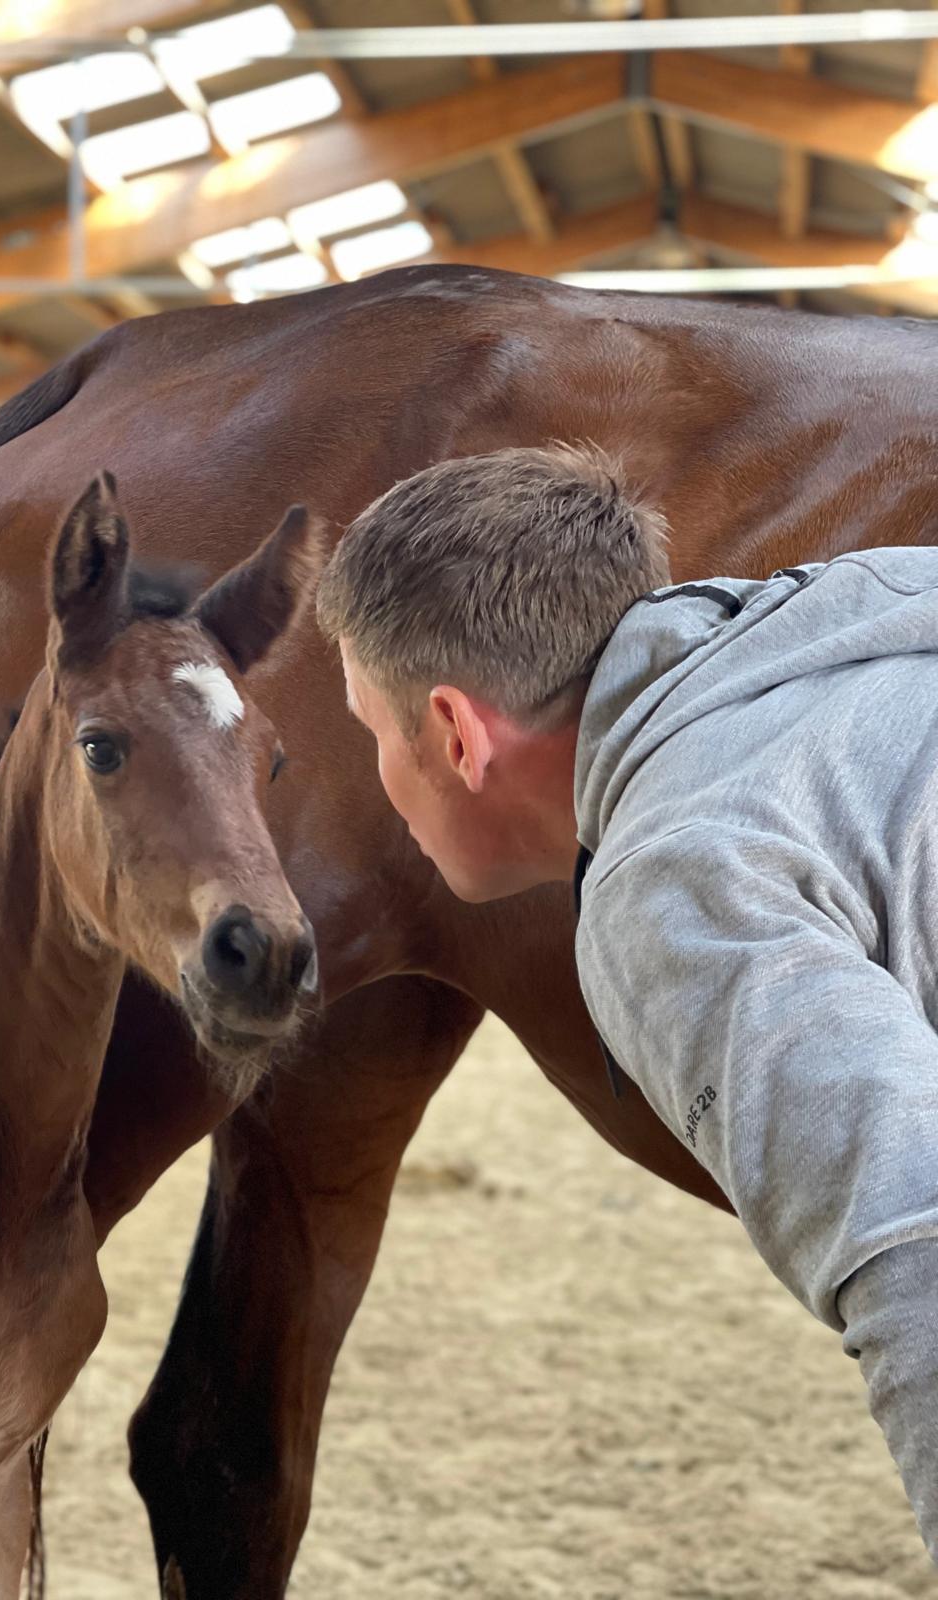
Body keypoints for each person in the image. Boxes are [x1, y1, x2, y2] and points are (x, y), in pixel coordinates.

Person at [314, 441, 938, 1562]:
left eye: (371, 728)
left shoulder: (677, 874)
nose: (377, 772)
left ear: (455, 735)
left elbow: (921, 1246)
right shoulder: (866, 616)